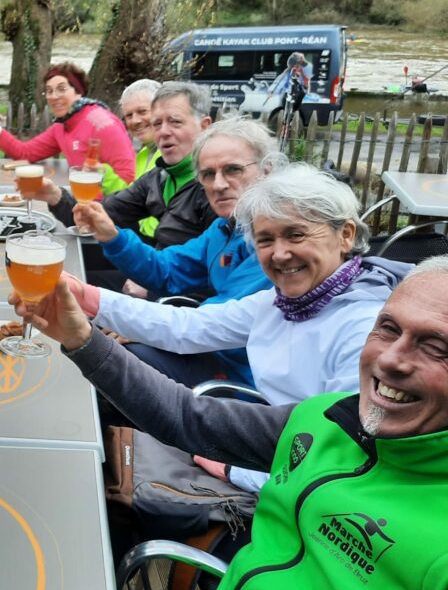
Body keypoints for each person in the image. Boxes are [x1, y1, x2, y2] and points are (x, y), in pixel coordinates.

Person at [15, 256, 448, 590]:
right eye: (388, 328)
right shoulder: (330, 418)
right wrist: (80, 339)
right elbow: (187, 418)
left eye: (437, 347)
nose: (391, 360)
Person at [66, 163, 410, 490]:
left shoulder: (366, 331)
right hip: (262, 446)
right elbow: (189, 327)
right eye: (265, 240)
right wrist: (88, 298)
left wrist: (233, 469)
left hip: (287, 491)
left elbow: (336, 458)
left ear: (346, 235)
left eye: (296, 235)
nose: (279, 254)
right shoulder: (280, 302)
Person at [73, 117, 279, 384]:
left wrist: (147, 329)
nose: (218, 184)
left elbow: (215, 321)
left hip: (241, 377)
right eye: (207, 174)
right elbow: (167, 271)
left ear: (267, 171)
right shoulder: (223, 229)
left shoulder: (276, 241)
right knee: (102, 353)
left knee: (108, 363)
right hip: (208, 348)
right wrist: (112, 236)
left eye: (233, 170)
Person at [40, 81, 217, 250]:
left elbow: (206, 266)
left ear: (204, 126)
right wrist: (55, 196)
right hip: (151, 257)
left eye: (175, 122)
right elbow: (111, 210)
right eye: (157, 124)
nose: (163, 131)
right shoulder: (159, 174)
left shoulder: (216, 185)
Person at [0, 62, 135, 194]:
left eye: (61, 89)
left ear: (78, 92)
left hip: (106, 212)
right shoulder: (61, 126)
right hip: (78, 202)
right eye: (49, 91)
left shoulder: (103, 124)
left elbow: (128, 179)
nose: (54, 96)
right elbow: (25, 153)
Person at [117, 78, 162, 238]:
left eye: (142, 111)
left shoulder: (174, 156)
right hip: (141, 238)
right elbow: (128, 194)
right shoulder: (143, 154)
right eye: (129, 115)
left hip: (162, 246)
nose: (135, 120)